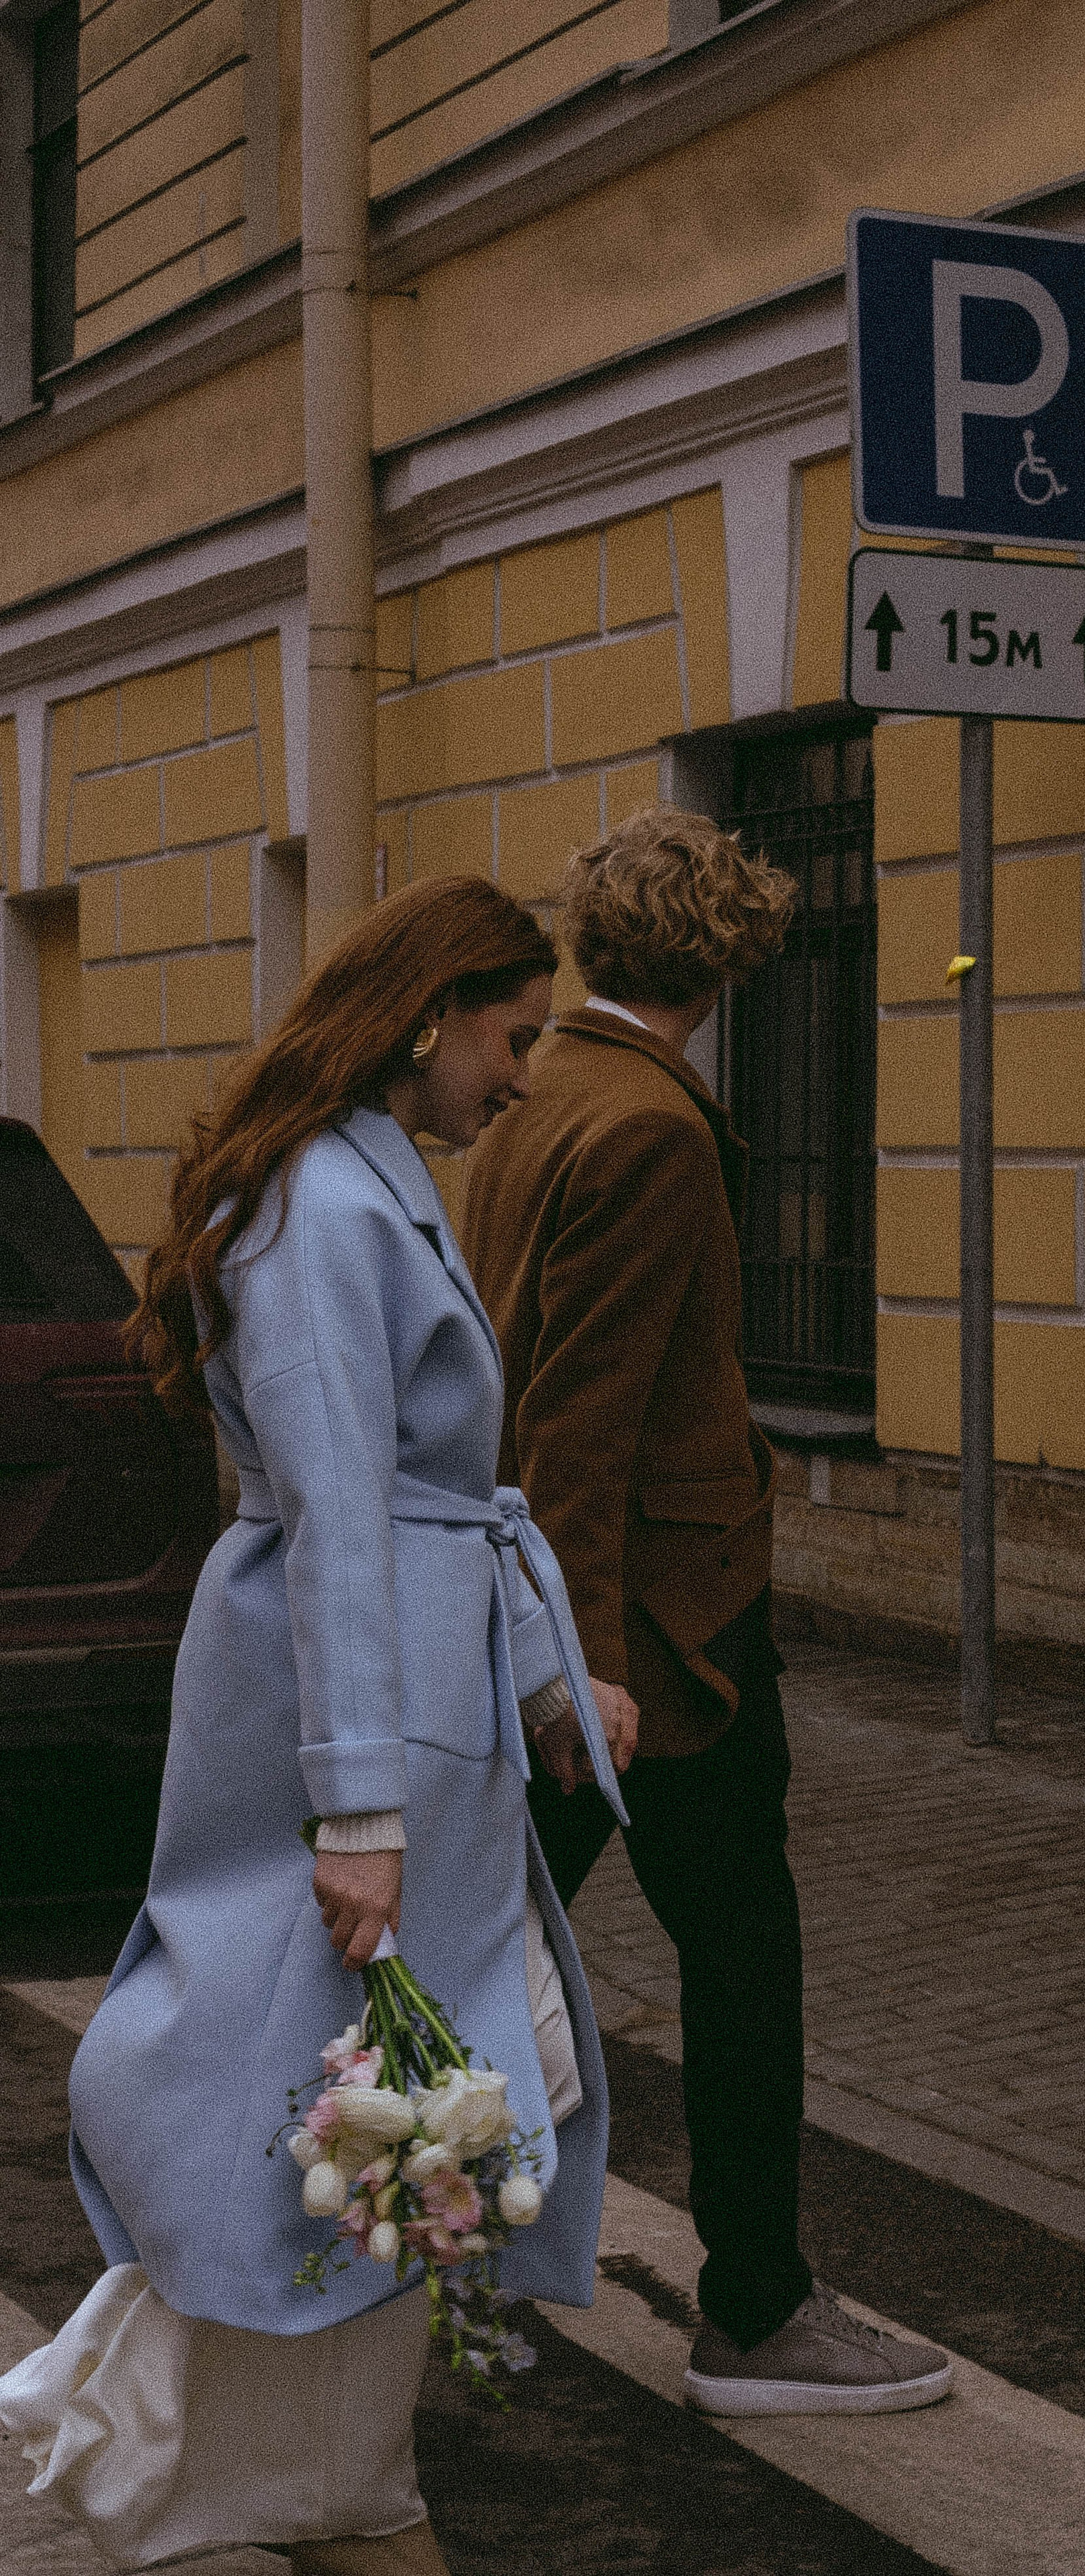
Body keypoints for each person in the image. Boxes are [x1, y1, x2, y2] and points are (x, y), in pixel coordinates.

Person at [0, 877, 636, 2573]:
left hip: (408, 1694)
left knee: (406, 2075)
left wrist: (539, 1676)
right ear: (429, 1016)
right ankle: (202, 2403)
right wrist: (358, 1807)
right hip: (360, 1706)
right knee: (334, 2068)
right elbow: (344, 1513)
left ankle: (279, 2417)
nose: (520, 1080)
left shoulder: (356, 1183)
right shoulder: (320, 1208)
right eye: (510, 1040)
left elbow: (436, 1501)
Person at [462, 806, 951, 2416]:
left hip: (567, 1608)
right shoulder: (651, 1128)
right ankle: (754, 2312)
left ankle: (362, 2262)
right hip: (663, 1643)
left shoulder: (537, 1095)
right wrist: (581, 1671)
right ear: (730, 955)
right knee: (741, 1957)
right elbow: (581, 1421)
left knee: (484, 1946)